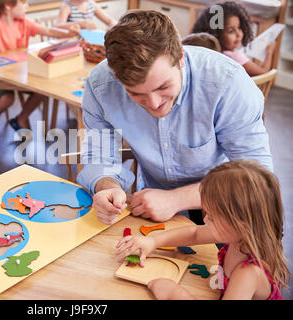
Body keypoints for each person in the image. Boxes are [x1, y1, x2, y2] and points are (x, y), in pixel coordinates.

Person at [77, 10, 272, 225]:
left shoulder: (228, 83)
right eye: (136, 94)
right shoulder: (101, 86)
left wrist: (177, 199)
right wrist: (107, 186)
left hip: (228, 203)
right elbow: (99, 155)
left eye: (163, 87)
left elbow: (257, 176)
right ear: (116, 75)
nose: (154, 104)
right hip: (153, 206)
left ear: (180, 58)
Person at [116, 160, 289, 300]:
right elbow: (195, 233)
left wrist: (174, 294)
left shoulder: (248, 275)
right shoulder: (239, 237)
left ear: (241, 224)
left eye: (212, 217)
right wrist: (153, 241)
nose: (205, 220)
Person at [0, 0, 79, 142]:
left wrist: (68, 33)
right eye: (23, 3)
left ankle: (21, 118)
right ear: (8, 6)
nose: (27, 6)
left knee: (43, 90)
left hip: (21, 74)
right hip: (1, 77)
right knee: (7, 99)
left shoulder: (24, 22)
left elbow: (48, 31)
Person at [192, 1, 276, 76]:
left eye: (239, 27)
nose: (238, 34)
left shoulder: (209, 54)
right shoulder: (234, 57)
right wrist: (269, 52)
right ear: (216, 34)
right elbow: (263, 72)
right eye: (231, 31)